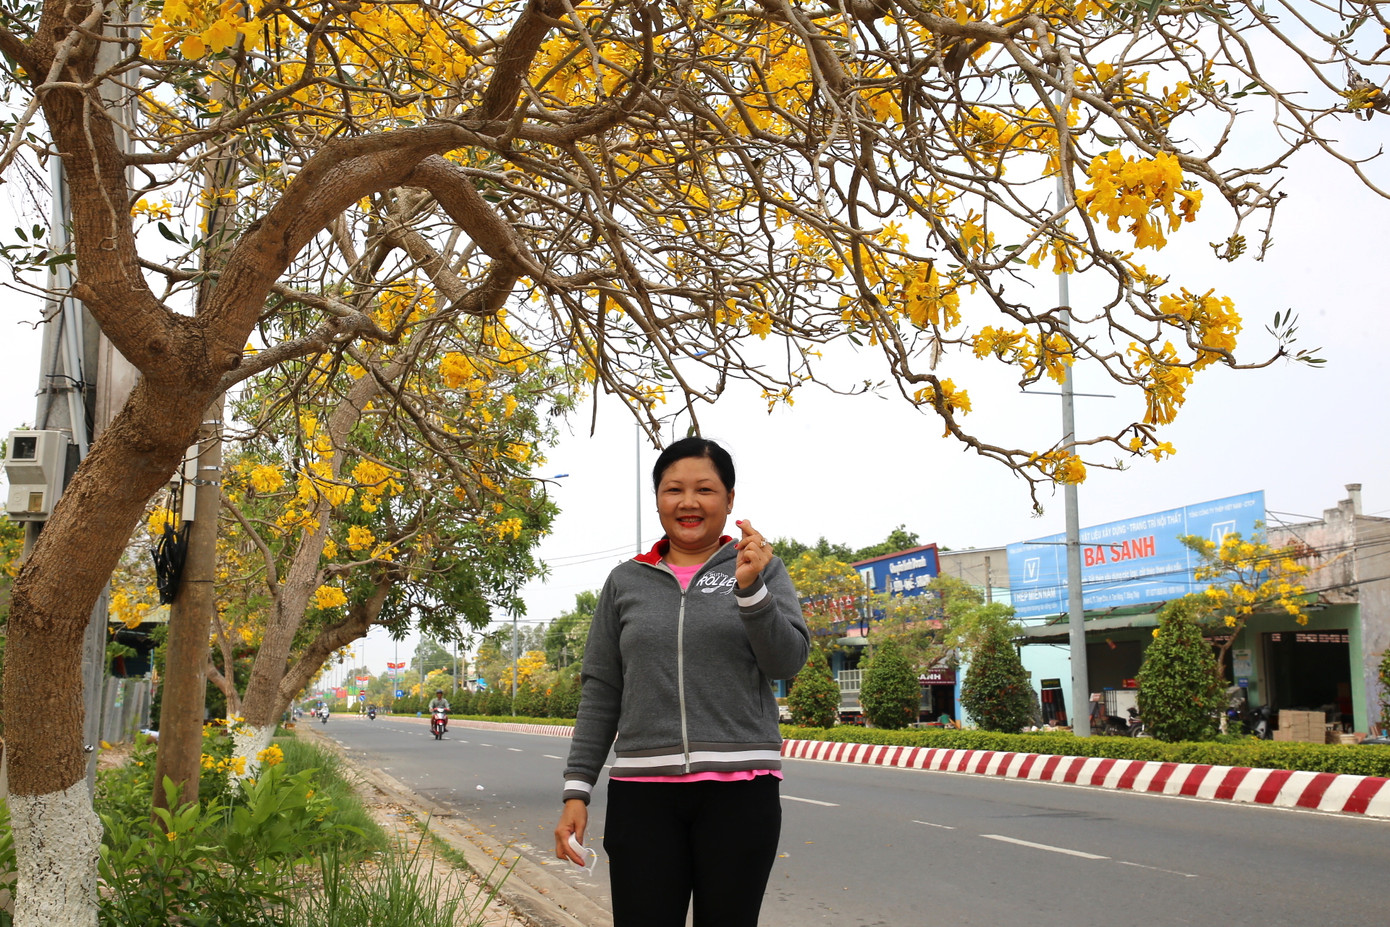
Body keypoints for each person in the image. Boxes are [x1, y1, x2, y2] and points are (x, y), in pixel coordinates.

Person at [553, 436, 809, 927]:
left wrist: (751, 589)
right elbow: (602, 689)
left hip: (740, 793)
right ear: (657, 500)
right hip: (642, 795)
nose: (688, 502)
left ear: (729, 500)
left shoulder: (761, 567)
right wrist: (576, 791)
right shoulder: (626, 581)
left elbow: (786, 662)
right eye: (674, 489)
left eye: (705, 490)